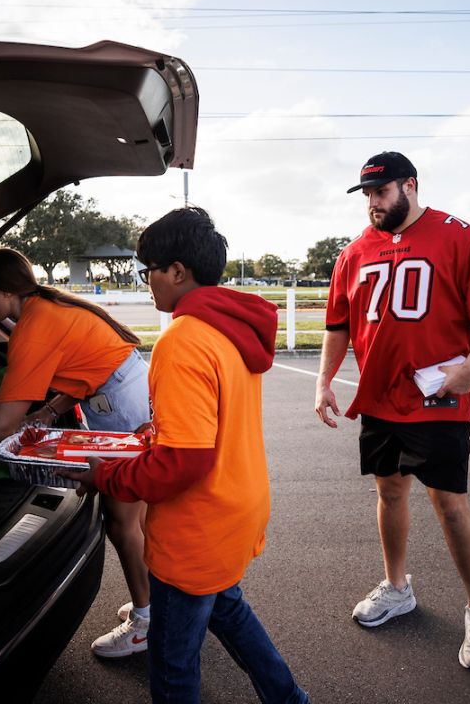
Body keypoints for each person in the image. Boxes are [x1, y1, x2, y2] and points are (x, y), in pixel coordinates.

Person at [64, 207, 308, 704]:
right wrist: (158, 429)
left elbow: (184, 462)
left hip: (197, 524)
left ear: (178, 271)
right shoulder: (230, 330)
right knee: (228, 612)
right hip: (238, 505)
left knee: (174, 665)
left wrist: (109, 476)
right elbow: (214, 421)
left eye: (147, 269)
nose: (146, 281)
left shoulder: (183, 340)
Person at [314, 152, 470, 674]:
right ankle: (397, 586)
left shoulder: (458, 235)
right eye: (367, 195)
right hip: (380, 399)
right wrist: (324, 380)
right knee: (389, 491)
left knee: (449, 504)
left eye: (381, 193)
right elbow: (338, 325)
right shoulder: (355, 251)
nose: (373, 204)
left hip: (438, 397)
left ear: (410, 185)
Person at [0, 247, 154, 659]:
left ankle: (147, 621)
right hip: (121, 387)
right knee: (134, 515)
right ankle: (154, 602)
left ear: (7, 289)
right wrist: (48, 411)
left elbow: (3, 424)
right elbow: (85, 368)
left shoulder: (32, 328)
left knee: (122, 520)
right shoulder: (45, 307)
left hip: (117, 401)